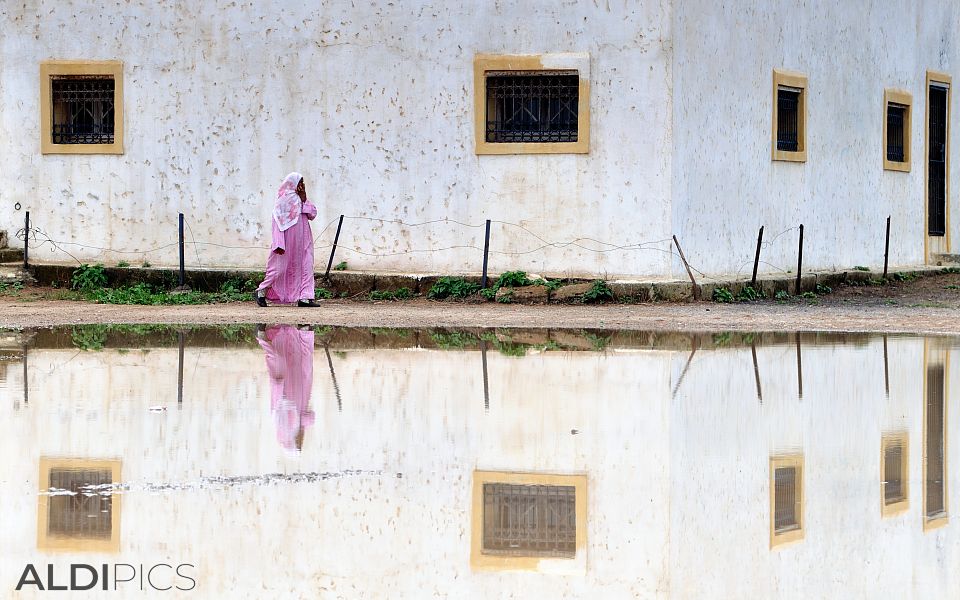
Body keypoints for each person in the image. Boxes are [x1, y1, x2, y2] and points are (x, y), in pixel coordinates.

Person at [255, 172, 321, 307]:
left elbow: (312, 214)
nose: (302, 186)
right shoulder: (282, 202)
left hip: (303, 242)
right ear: (292, 184)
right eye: (300, 183)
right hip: (285, 243)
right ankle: (261, 291)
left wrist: (304, 199)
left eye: (303, 183)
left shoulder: (301, 200)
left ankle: (305, 298)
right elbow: (277, 224)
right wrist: (278, 243)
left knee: (306, 266)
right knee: (279, 269)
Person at [256, 324, 316, 452]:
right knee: (303, 358)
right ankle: (303, 332)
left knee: (282, 360)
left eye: (298, 443)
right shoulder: (299, 424)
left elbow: (310, 417)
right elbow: (310, 417)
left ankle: (264, 338)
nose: (300, 440)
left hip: (287, 388)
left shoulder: (280, 424)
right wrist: (302, 425)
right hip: (299, 385)